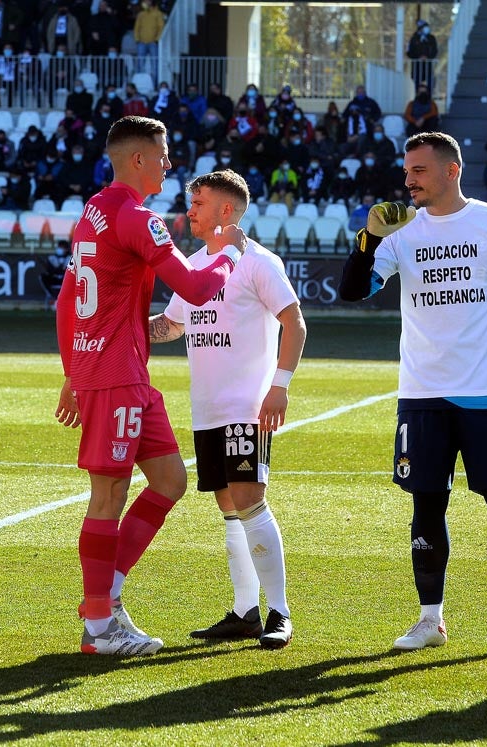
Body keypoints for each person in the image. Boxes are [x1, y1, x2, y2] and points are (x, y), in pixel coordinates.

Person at [338, 131, 487, 654]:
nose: (408, 180)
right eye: (406, 171)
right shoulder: (401, 232)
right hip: (420, 393)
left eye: (418, 171)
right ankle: (429, 619)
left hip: (485, 392)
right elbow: (351, 290)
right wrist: (368, 239)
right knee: (425, 504)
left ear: (451, 171)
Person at [53, 115, 247, 656]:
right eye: (162, 155)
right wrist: (230, 252)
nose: (168, 164)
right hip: (114, 376)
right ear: (137, 159)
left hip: (123, 373)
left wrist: (74, 369)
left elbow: (67, 301)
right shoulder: (138, 216)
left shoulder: (94, 211)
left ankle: (105, 597)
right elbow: (192, 285)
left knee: (168, 481)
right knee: (108, 494)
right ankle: (99, 627)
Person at [148, 170, 305, 649]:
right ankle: (244, 611)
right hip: (207, 409)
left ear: (227, 211)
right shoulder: (194, 264)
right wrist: (121, 327)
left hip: (246, 407)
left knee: (248, 496)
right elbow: (172, 326)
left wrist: (279, 387)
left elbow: (294, 323)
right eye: (191, 200)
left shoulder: (258, 262)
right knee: (227, 503)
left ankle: (279, 611)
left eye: (199, 201)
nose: (189, 209)